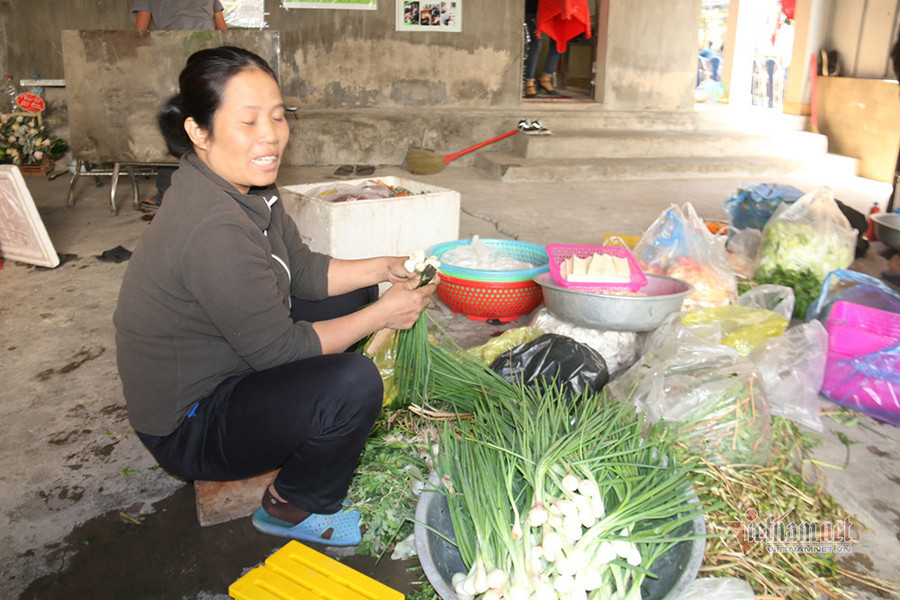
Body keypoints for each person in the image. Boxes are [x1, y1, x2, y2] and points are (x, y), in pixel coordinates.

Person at [113, 46, 438, 545]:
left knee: (354, 295)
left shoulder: (248, 187)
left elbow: (302, 271)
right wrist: (384, 315)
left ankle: (312, 426)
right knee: (354, 383)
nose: (270, 135)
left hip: (232, 366)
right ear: (198, 131)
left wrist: (384, 267)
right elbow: (281, 352)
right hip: (191, 423)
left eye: (278, 117)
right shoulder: (212, 226)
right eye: (248, 121)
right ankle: (293, 506)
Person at [134, 1, 228, 210]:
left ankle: (216, 189)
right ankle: (167, 191)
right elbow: (139, 33)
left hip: (199, 59)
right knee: (178, 120)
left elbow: (222, 30)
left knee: (202, 120)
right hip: (174, 58)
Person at [523, 0, 561, 97]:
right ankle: (529, 81)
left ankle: (546, 77)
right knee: (536, 42)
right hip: (533, 8)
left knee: (559, 40)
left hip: (554, 8)